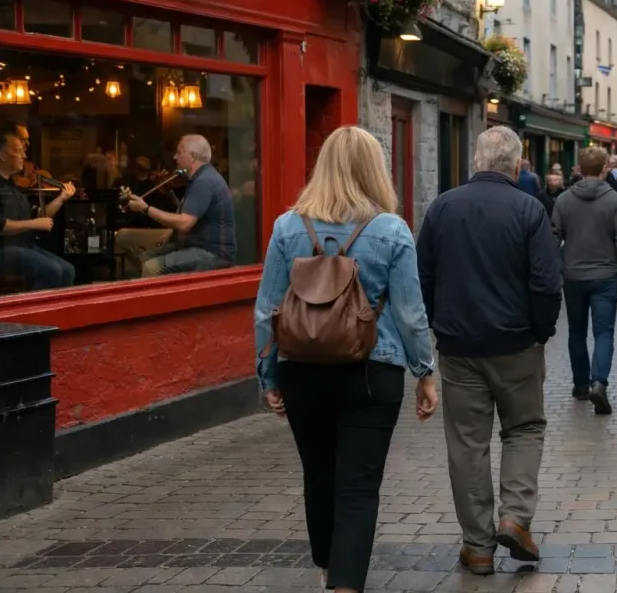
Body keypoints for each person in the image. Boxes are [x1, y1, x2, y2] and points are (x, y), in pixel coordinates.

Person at [253, 126, 437, 593]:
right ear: (375, 169)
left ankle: (327, 568)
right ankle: (345, 584)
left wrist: (268, 375)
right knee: (359, 483)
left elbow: (266, 310)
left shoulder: (287, 226)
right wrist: (425, 373)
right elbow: (411, 314)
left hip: (302, 370)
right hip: (373, 372)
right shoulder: (391, 230)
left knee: (318, 474)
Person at [416, 127, 561, 575]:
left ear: (475, 161)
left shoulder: (442, 208)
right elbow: (545, 282)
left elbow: (423, 279)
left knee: (467, 444)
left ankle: (477, 547)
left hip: (458, 347)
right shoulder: (529, 209)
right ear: (517, 166)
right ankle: (515, 518)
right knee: (524, 428)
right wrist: (541, 331)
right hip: (516, 343)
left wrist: (436, 330)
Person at [551, 146, 617, 414]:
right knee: (603, 332)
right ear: (604, 168)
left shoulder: (563, 200)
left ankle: (580, 384)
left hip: (573, 274)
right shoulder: (615, 201)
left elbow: (553, 237)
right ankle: (599, 381)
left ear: (579, 169)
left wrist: (557, 265)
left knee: (576, 331)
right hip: (605, 274)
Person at [0, 127, 77, 291]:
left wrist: (62, 198)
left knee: (68, 270)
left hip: (23, 247)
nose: (24, 156)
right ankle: (33, 314)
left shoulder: (11, 184)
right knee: (52, 271)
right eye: (18, 151)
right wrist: (33, 224)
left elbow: (39, 215)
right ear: (2, 156)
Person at [124, 134, 236, 277]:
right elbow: (186, 212)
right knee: (143, 259)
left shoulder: (204, 181)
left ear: (193, 156)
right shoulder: (200, 178)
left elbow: (184, 223)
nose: (175, 157)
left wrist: (145, 209)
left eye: (179, 152)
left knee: (151, 267)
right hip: (196, 245)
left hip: (212, 252)